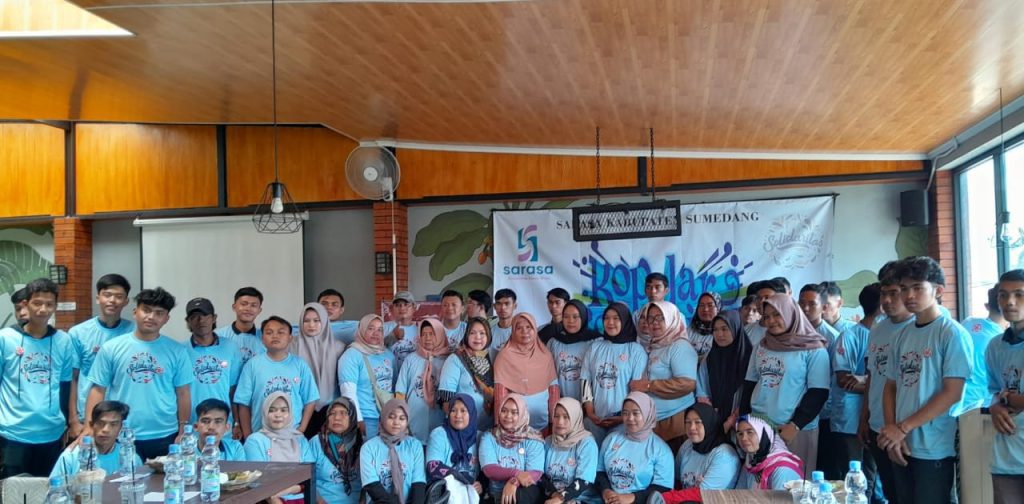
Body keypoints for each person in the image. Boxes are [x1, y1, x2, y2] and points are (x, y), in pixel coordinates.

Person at [877, 256, 972, 504]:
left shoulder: (951, 333)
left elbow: (952, 393)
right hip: (901, 443)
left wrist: (902, 428)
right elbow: (890, 386)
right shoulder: (901, 335)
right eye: (904, 288)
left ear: (938, 291)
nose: (909, 295)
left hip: (934, 447)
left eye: (918, 288)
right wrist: (892, 431)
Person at [84, 287, 193, 462]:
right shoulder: (111, 348)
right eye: (146, 310)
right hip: (120, 433)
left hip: (165, 434)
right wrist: (89, 427)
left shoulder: (177, 351)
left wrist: (183, 429)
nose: (151, 317)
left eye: (159, 313)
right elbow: (98, 389)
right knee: (121, 478)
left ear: (166, 318)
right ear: (135, 312)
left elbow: (183, 393)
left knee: (166, 479)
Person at [740, 293, 829, 474]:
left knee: (793, 483)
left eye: (777, 314)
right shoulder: (762, 346)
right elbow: (750, 384)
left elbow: (818, 392)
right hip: (759, 426)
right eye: (766, 317)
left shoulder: (814, 349)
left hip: (793, 430)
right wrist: (745, 421)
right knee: (761, 481)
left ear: (790, 313)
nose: (771, 321)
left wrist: (795, 425)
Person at [0, 278, 76, 478]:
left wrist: (69, 422)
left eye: (49, 304)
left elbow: (65, 386)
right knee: (12, 491)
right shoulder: (5, 338)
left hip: (51, 433)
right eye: (37, 303)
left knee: (48, 489)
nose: (43, 309)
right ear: (26, 304)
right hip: (13, 433)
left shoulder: (63, 341)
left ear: (55, 306)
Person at [859, 261, 914, 504]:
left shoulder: (920, 328)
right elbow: (873, 375)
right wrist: (864, 417)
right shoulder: (877, 329)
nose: (888, 300)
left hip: (909, 429)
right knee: (891, 493)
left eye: (894, 292)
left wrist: (901, 427)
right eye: (884, 293)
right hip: (878, 426)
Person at [68, 274, 136, 439]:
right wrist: (73, 421)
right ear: (98, 298)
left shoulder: (134, 332)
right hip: (88, 417)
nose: (112, 300)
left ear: (126, 301)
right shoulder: (78, 333)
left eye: (119, 296)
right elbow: (72, 379)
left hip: (121, 417)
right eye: (107, 295)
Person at [831, 284, 881, 496]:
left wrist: (867, 382)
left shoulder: (888, 335)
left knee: (871, 477)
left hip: (876, 417)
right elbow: (844, 380)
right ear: (882, 306)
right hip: (850, 420)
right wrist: (875, 385)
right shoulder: (849, 336)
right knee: (852, 479)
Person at [234, 316, 319, 438]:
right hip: (260, 435)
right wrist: (248, 436)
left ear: (290, 338)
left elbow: (310, 400)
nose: (275, 336)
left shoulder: (300, 365)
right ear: (262, 339)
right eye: (269, 332)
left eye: (281, 332)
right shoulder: (252, 365)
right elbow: (243, 403)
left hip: (292, 435)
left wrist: (301, 429)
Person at [634, 301, 698, 453]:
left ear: (671, 319)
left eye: (660, 317)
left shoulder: (679, 346)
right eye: (650, 318)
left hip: (676, 424)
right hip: (657, 423)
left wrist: (649, 386)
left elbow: (687, 384)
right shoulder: (655, 345)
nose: (654, 323)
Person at [582, 302, 647, 447]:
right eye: (606, 318)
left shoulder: (635, 350)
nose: (610, 322)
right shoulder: (595, 347)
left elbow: (637, 390)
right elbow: (586, 381)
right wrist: (590, 412)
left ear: (625, 320)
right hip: (596, 420)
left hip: (624, 422)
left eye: (616, 318)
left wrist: (623, 417)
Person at [985, 269, 1024, 503]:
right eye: (1003, 295)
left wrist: (1008, 399)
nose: (1010, 301)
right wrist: (996, 406)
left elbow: (1008, 397)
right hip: (1007, 457)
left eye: (1019, 294)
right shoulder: (994, 346)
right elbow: (994, 391)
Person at [595, 392, 673, 504]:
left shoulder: (661, 450)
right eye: (625, 413)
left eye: (636, 413)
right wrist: (606, 491)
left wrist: (631, 498)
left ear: (647, 414)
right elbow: (600, 471)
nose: (630, 418)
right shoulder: (611, 439)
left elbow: (663, 488)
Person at [797, 283, 841, 479]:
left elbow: (833, 378)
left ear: (823, 307)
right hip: (797, 411)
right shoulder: (792, 334)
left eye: (811, 304)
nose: (805, 308)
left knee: (821, 468)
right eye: (802, 303)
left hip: (824, 414)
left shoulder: (832, 337)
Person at [182, 298, 243, 432]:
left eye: (205, 315)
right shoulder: (180, 351)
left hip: (223, 425)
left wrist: (237, 422)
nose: (201, 320)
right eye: (195, 316)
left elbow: (234, 390)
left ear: (214, 318)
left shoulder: (231, 347)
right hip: (192, 426)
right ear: (188, 321)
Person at [244, 392, 314, 504]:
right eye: (272, 410)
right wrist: (274, 499)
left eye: (283, 410)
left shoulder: (300, 440)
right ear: (265, 412)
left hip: (303, 498)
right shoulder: (255, 441)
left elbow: (309, 476)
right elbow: (256, 481)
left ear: (290, 413)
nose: (278, 415)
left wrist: (289, 490)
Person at [494, 313, 560, 430]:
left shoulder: (545, 355)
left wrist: (554, 422)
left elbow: (553, 390)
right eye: (519, 328)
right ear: (513, 331)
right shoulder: (504, 356)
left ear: (535, 329)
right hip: (513, 426)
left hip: (543, 425)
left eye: (529, 327)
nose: (525, 331)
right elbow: (500, 394)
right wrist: (499, 425)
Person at [291, 302, 346, 437]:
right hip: (299, 408)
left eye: (316, 321)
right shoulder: (291, 346)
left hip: (330, 409)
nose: (311, 325)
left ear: (324, 321)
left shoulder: (338, 347)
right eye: (306, 321)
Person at [479, 394, 545, 504]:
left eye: (514, 412)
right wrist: (517, 473)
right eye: (504, 411)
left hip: (522, 495)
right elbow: (489, 469)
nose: (508, 416)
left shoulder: (533, 438)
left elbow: (535, 473)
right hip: (495, 496)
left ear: (522, 414)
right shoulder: (489, 437)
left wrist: (514, 481)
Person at [50, 401, 141, 480]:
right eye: (101, 423)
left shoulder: (130, 457)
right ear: (92, 425)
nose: (105, 429)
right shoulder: (70, 456)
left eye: (113, 424)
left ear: (121, 428)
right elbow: (55, 490)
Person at [339, 314, 396, 439]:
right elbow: (348, 391)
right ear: (362, 329)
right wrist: (357, 419)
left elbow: (394, 386)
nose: (376, 333)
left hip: (388, 418)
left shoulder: (388, 354)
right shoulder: (352, 355)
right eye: (370, 328)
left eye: (380, 329)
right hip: (366, 419)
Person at [360, 399, 427, 504]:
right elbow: (372, 485)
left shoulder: (415, 446)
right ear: (383, 418)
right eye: (391, 417)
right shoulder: (368, 448)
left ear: (407, 421)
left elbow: (418, 483)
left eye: (402, 418)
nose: (396, 422)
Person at [396, 318, 450, 445]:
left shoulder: (448, 361)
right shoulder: (410, 359)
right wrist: (402, 421)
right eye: (424, 334)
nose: (427, 338)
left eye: (431, 334)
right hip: (413, 425)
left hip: (440, 428)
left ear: (440, 335)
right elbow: (400, 393)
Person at [696, 310, 752, 432]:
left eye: (724, 329)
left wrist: (732, 419)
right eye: (715, 330)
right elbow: (702, 389)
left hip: (743, 423)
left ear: (735, 328)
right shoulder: (710, 358)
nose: (719, 334)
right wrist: (710, 413)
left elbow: (751, 393)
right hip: (714, 420)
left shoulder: (749, 358)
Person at [439, 317, 496, 430]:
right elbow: (446, 400)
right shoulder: (456, 359)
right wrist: (459, 425)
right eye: (472, 333)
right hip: (462, 428)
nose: (477, 337)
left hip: (488, 428)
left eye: (482, 333)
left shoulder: (493, 357)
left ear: (488, 336)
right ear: (466, 335)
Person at [542, 398, 598, 504]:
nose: (560, 422)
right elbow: (541, 475)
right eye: (556, 416)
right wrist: (554, 495)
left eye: (566, 417)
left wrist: (561, 498)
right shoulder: (549, 441)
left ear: (575, 418)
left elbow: (584, 480)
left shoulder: (587, 443)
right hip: (553, 497)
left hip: (582, 499)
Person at [427, 393, 483, 499]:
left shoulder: (480, 437)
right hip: (444, 495)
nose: (458, 415)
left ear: (471, 413)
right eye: (453, 410)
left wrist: (481, 485)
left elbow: (485, 470)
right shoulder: (439, 434)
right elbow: (433, 467)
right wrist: (463, 480)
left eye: (463, 411)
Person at [960, 286, 1007, 413]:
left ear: (987, 306)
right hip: (978, 406)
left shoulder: (967, 323)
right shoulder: (1002, 342)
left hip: (952, 399)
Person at [673, 403, 740, 491]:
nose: (692, 427)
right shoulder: (688, 445)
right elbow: (676, 481)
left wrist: (666, 497)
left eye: (698, 422)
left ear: (709, 423)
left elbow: (703, 494)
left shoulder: (725, 455)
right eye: (688, 422)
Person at [310, 397, 363, 504]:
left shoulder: (361, 445)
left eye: (343, 413)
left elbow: (369, 483)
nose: (337, 418)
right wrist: (320, 501)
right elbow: (307, 479)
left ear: (352, 417)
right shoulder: (316, 442)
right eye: (332, 413)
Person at [548, 300, 600, 401]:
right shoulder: (554, 342)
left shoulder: (595, 342)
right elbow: (549, 375)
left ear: (583, 317)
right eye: (566, 317)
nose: (570, 321)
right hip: (562, 405)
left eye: (575, 317)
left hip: (590, 404)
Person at [733, 415, 803, 490]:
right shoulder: (751, 462)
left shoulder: (783, 470)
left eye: (750, 432)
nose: (743, 438)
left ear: (765, 434)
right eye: (740, 434)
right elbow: (739, 494)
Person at [213, 287, 266, 367]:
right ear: (234, 307)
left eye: (253, 305)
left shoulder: (266, 338)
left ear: (259, 310)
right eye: (244, 304)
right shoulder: (217, 336)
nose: (248, 308)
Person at [385, 291, 420, 376]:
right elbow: (374, 350)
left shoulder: (420, 331)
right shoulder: (382, 328)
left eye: (406, 304)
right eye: (397, 305)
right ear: (392, 308)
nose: (402, 308)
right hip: (389, 379)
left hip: (412, 378)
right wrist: (392, 337)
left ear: (414, 307)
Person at [635, 273, 670, 349]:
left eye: (657, 287)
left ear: (666, 290)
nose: (653, 291)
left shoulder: (675, 316)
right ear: (645, 290)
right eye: (649, 287)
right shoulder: (636, 315)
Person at [688, 292, 721, 360]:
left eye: (710, 305)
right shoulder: (689, 330)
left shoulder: (723, 331)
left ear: (718, 308)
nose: (705, 309)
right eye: (701, 305)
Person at [490, 289, 518, 357]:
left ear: (515, 306)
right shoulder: (489, 333)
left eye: (507, 303)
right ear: (494, 306)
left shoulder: (523, 332)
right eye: (499, 303)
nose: (503, 307)